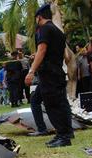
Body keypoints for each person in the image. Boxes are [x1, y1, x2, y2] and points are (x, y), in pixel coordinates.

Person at [25, 4, 73, 147]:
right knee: (62, 103)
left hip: (48, 74)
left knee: (52, 104)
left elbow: (42, 50)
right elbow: (65, 56)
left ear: (39, 17)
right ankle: (66, 132)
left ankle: (63, 136)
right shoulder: (58, 31)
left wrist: (31, 71)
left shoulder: (44, 29)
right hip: (57, 71)